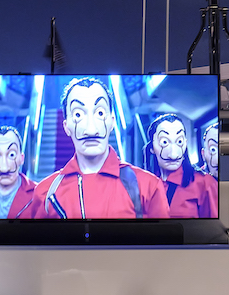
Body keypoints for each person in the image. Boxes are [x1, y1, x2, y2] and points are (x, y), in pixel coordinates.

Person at [24, 77, 169, 219]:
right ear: (66, 127)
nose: (91, 130)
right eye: (78, 114)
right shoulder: (45, 193)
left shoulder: (149, 187)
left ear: (112, 122)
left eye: (100, 113)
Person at [147, 112, 217, 219]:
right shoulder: (147, 184)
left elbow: (216, 226)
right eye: (164, 142)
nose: (173, 154)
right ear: (152, 147)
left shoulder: (205, 183)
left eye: (179, 141)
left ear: (185, 143)